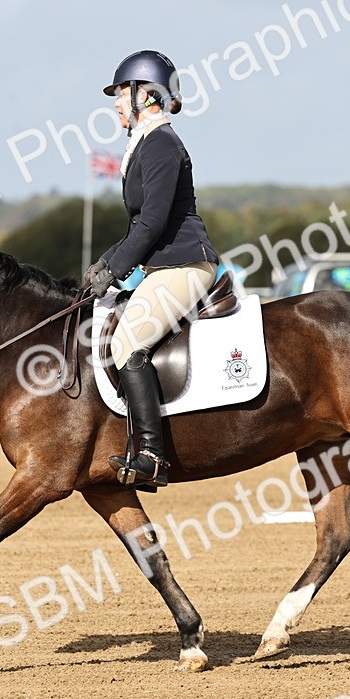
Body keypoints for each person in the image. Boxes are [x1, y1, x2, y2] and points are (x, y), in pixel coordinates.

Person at [84, 50, 219, 489]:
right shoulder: (145, 142)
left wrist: (113, 265)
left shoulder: (160, 143)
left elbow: (153, 222)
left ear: (147, 95)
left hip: (184, 262)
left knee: (127, 343)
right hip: (164, 264)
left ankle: (151, 454)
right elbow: (141, 226)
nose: (116, 104)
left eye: (122, 94)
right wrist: (107, 262)